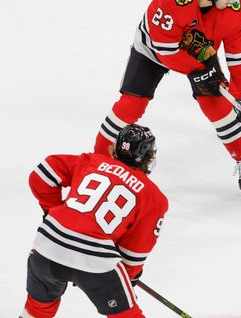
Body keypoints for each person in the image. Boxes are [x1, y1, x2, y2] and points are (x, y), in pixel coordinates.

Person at [94, 0, 241, 198]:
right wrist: (199, 72)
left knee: (216, 105)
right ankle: (97, 159)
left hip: (203, 51)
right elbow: (166, 51)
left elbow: (240, 58)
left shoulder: (232, 10)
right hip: (153, 50)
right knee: (131, 105)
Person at [22, 124, 167, 318]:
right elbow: (134, 251)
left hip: (48, 244)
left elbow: (42, 175)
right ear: (149, 156)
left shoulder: (92, 161)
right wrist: (127, 279)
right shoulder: (153, 197)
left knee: (37, 309)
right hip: (96, 261)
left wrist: (53, 212)